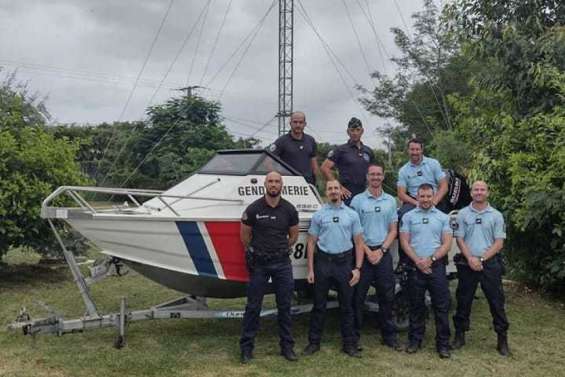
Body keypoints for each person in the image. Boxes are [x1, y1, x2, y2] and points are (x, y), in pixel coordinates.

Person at [239, 171, 299, 363]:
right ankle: (246, 349)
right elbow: (245, 236)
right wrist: (258, 251)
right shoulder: (254, 208)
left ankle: (287, 347)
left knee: (285, 307)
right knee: (253, 307)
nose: (274, 184)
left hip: (282, 263)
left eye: (277, 181)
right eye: (270, 181)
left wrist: (279, 249)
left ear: (282, 185)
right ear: (265, 184)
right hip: (260, 264)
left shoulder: (289, 209)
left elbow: (294, 236)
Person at [303, 180, 365, 357]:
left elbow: (359, 242)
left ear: (341, 191)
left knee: (347, 306)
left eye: (336, 188)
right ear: (326, 192)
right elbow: (311, 243)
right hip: (323, 263)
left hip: (344, 263)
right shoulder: (319, 215)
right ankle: (314, 343)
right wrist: (310, 270)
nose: (333, 191)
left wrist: (358, 268)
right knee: (319, 305)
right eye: (330, 188)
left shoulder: (352, 215)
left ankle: (349, 344)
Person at [452, 181, 510, 356]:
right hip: (467, 263)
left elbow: (499, 242)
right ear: (471, 193)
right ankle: (459, 335)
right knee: (463, 300)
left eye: (482, 189)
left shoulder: (496, 215)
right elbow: (459, 239)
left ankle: (502, 339)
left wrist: (481, 259)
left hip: (490, 263)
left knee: (496, 301)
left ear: (488, 192)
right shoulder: (461, 214)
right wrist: (470, 258)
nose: (479, 192)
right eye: (476, 189)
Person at [350, 164, 402, 351]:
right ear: (367, 177)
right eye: (372, 174)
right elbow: (355, 232)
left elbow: (393, 230)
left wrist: (381, 250)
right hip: (362, 254)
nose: (375, 177)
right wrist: (368, 251)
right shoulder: (357, 201)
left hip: (383, 254)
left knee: (387, 297)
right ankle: (353, 338)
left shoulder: (391, 201)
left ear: (383, 177)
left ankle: (389, 336)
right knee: (357, 298)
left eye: (378, 174)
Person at [399, 183, 453, 359]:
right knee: (416, 306)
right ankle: (415, 341)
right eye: (422, 196)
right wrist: (418, 261)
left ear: (433, 196)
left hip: (436, 267)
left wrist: (431, 260)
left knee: (441, 307)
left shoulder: (443, 217)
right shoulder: (408, 217)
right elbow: (404, 242)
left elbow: (446, 243)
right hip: (415, 266)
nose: (425, 199)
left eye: (429, 196)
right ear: (417, 196)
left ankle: (443, 344)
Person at [321, 117, 374, 205]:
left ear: (362, 131)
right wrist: (338, 187)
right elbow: (324, 168)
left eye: (358, 130)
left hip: (364, 192)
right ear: (348, 132)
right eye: (352, 130)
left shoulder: (368, 151)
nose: (355, 133)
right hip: (346, 193)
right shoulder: (340, 150)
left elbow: (372, 172)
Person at [269, 111, 319, 185]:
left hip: (307, 182)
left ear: (305, 124)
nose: (298, 125)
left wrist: (315, 179)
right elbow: (268, 162)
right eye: (295, 122)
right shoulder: (281, 141)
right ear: (290, 123)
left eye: (300, 122)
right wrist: (278, 178)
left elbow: (314, 163)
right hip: (288, 183)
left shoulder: (311, 140)